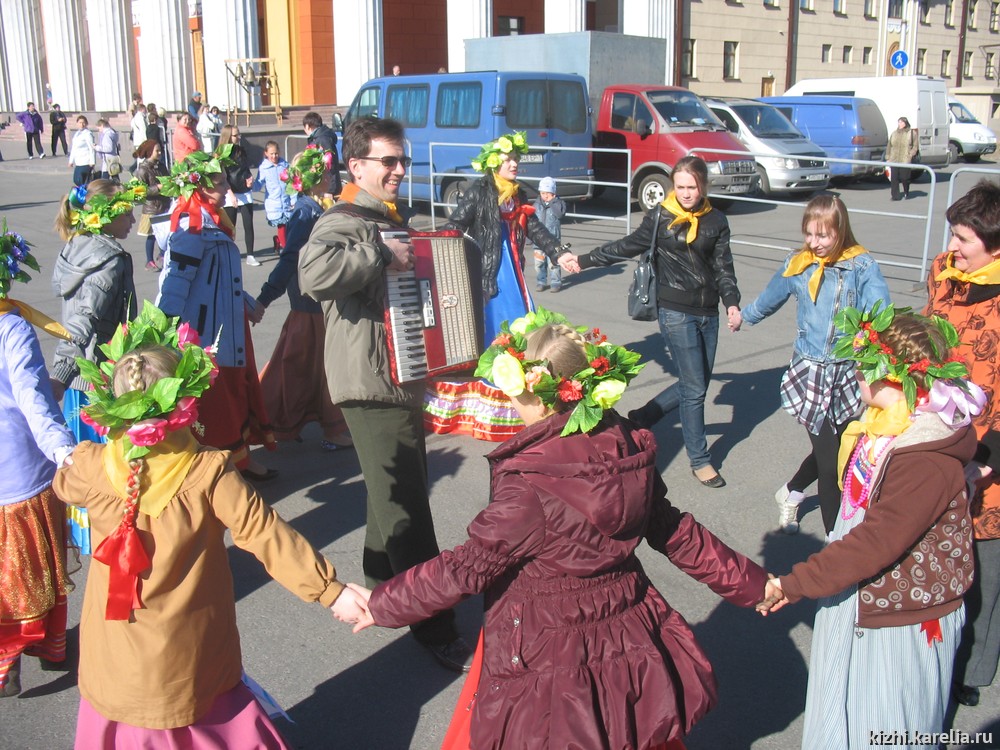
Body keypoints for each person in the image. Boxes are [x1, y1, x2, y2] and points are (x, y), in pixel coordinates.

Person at [342, 308, 770, 749]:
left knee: (564, 731)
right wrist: (753, 584)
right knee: (625, 725)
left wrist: (381, 605)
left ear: (535, 394)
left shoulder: (533, 483)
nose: (508, 400)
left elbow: (465, 568)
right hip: (627, 626)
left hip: (551, 644)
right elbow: (674, 531)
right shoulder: (626, 444)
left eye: (511, 390)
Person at [52, 302, 367, 746]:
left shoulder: (92, 465)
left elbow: (63, 483)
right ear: (184, 402)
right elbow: (265, 533)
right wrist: (330, 591)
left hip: (113, 650)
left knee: (123, 715)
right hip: (187, 650)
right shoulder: (206, 471)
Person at [761, 305, 984, 749]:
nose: (856, 372)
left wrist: (796, 583)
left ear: (893, 376)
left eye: (863, 365)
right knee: (846, 712)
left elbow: (877, 541)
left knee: (888, 725)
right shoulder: (885, 429)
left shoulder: (923, 456)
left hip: (901, 613)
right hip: (862, 589)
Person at [299, 116, 473, 672]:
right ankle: (433, 621)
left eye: (403, 160)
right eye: (388, 162)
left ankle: (382, 582)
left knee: (393, 487)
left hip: (397, 374)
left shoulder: (387, 218)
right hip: (370, 384)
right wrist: (382, 254)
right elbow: (313, 274)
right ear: (356, 167)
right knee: (407, 506)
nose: (400, 170)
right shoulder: (344, 220)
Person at [567, 156, 740, 489]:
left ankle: (645, 416)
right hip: (675, 309)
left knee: (697, 382)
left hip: (709, 312)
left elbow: (724, 268)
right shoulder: (661, 216)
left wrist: (732, 303)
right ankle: (700, 460)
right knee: (695, 391)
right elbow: (627, 246)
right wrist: (586, 260)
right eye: (680, 187)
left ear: (702, 186)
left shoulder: (716, 221)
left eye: (692, 187)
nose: (686, 194)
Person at [732, 195, 890, 534]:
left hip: (848, 375)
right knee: (833, 464)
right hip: (811, 374)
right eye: (809, 235)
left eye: (823, 236)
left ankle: (789, 492)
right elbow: (770, 298)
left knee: (835, 452)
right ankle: (836, 542)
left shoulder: (861, 265)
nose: (814, 243)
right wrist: (743, 317)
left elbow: (881, 314)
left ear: (840, 230)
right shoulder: (797, 264)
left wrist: (877, 344)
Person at [424, 131, 571, 442]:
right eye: (508, 158)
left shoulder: (517, 195)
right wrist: (432, 253)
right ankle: (491, 403)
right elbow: (455, 226)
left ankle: (521, 398)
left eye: (516, 158)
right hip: (488, 274)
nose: (514, 163)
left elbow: (535, 228)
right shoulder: (478, 192)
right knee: (494, 332)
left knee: (521, 329)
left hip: (513, 271)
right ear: (494, 162)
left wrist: (559, 253)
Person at [156, 147, 277, 481]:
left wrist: (246, 303)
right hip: (208, 334)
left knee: (237, 392)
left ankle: (238, 462)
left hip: (229, 323)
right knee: (218, 401)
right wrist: (165, 330)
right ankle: (221, 471)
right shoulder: (190, 229)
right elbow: (175, 285)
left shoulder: (210, 220)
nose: (226, 188)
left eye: (225, 181)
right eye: (219, 183)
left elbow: (222, 279)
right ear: (198, 187)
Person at [925, 180, 1000, 708]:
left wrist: (986, 463)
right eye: (952, 235)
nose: (952, 247)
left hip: (988, 459)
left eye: (964, 240)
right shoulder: (942, 274)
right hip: (939, 440)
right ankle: (936, 655)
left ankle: (970, 671)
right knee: (942, 561)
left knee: (984, 575)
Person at [0, 225, 76, 697]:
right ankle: (47, 646)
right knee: (34, 564)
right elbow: (32, 397)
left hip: (17, 470)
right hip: (20, 468)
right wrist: (63, 449)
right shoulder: (11, 326)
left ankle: (10, 660)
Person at [51, 179, 145, 554]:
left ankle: (89, 536)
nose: (133, 218)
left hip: (79, 377)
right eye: (127, 210)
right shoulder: (108, 261)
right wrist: (59, 374)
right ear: (107, 215)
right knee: (108, 468)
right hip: (97, 378)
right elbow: (84, 319)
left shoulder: (76, 247)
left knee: (84, 461)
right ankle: (111, 543)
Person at [256, 146, 352, 452]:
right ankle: (329, 428)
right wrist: (265, 297)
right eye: (327, 173)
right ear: (315, 178)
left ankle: (276, 420)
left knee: (302, 365)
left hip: (318, 299)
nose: (331, 177)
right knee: (316, 365)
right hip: (311, 301)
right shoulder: (305, 212)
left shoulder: (316, 207)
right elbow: (289, 259)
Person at [216, 125, 257, 265]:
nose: (239, 137)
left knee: (248, 223)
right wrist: (230, 194)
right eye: (235, 135)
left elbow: (245, 169)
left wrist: (250, 178)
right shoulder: (221, 154)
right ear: (228, 136)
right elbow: (223, 176)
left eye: (239, 134)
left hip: (244, 191)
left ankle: (250, 255)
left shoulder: (241, 151)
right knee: (230, 226)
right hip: (230, 192)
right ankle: (229, 254)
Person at [133, 139, 170, 271]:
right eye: (157, 150)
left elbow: (168, 179)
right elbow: (140, 191)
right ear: (149, 152)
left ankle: (162, 255)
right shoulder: (143, 169)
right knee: (152, 235)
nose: (160, 153)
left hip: (164, 204)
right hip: (151, 207)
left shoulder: (161, 166)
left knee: (165, 233)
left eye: (160, 150)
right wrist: (158, 188)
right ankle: (149, 260)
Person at [253, 140, 291, 251]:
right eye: (271, 154)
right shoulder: (264, 168)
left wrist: (293, 200)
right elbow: (258, 185)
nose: (274, 156)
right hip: (274, 204)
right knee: (282, 226)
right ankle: (285, 249)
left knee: (288, 227)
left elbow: (292, 184)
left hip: (286, 202)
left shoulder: (285, 165)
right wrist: (250, 184)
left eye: (276, 153)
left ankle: (279, 241)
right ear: (266, 153)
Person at [532, 175, 566, 293]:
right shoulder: (536, 205)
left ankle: (555, 282)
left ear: (553, 193)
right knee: (539, 263)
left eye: (548, 193)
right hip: (539, 241)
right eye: (543, 193)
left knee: (554, 263)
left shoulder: (559, 203)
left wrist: (552, 202)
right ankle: (541, 281)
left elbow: (560, 214)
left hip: (553, 239)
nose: (545, 196)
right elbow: (531, 222)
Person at [302, 111, 342, 196]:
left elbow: (330, 166)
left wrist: (330, 190)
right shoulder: (318, 138)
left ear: (307, 126)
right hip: (322, 185)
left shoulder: (322, 140)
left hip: (328, 188)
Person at [886, 116, 918, 201]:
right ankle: (895, 196)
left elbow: (915, 146)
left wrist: (911, 154)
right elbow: (889, 146)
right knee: (894, 178)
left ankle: (906, 191)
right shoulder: (894, 133)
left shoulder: (911, 133)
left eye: (902, 122)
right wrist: (888, 156)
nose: (900, 124)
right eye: (899, 122)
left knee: (905, 178)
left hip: (905, 159)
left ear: (905, 123)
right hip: (894, 159)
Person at [67, 115, 96, 187]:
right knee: (76, 180)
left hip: (86, 161)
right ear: (77, 123)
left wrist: (92, 161)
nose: (82, 124)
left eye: (83, 123)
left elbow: (91, 148)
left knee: (81, 180)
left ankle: (86, 193)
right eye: (80, 122)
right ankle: (85, 191)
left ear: (86, 124)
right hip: (78, 161)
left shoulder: (88, 134)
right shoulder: (77, 134)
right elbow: (73, 148)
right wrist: (71, 161)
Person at [129, 103, 146, 168]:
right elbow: (143, 129)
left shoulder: (135, 118)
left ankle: (140, 171)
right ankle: (141, 172)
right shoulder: (140, 117)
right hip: (141, 141)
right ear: (142, 109)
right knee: (142, 159)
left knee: (140, 158)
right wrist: (146, 140)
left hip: (137, 141)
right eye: (145, 109)